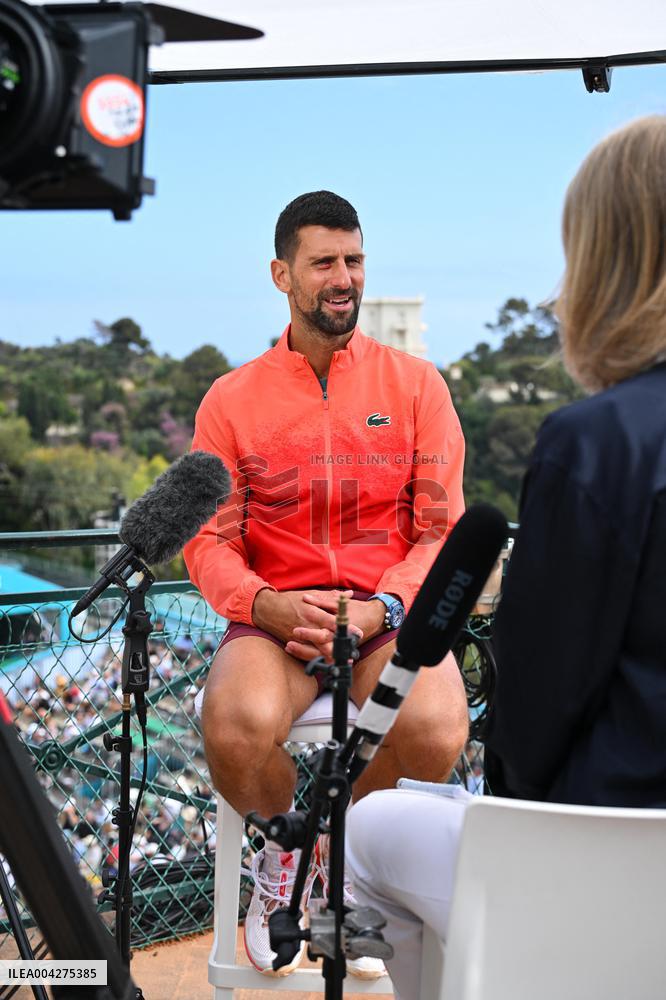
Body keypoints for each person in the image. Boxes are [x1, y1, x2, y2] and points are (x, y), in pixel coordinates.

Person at [346, 114, 666, 999]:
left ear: (605, 260)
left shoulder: (595, 444)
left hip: (612, 855)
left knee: (370, 830)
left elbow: (536, 706)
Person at [183, 190, 468, 977]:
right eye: (324, 263)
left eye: (355, 260)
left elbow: (440, 528)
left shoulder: (417, 385)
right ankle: (284, 853)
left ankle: (347, 861)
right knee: (234, 723)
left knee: (438, 725)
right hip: (274, 622)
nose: (344, 278)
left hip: (383, 617)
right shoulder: (231, 399)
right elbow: (208, 538)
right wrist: (264, 604)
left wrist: (383, 606)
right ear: (282, 274)